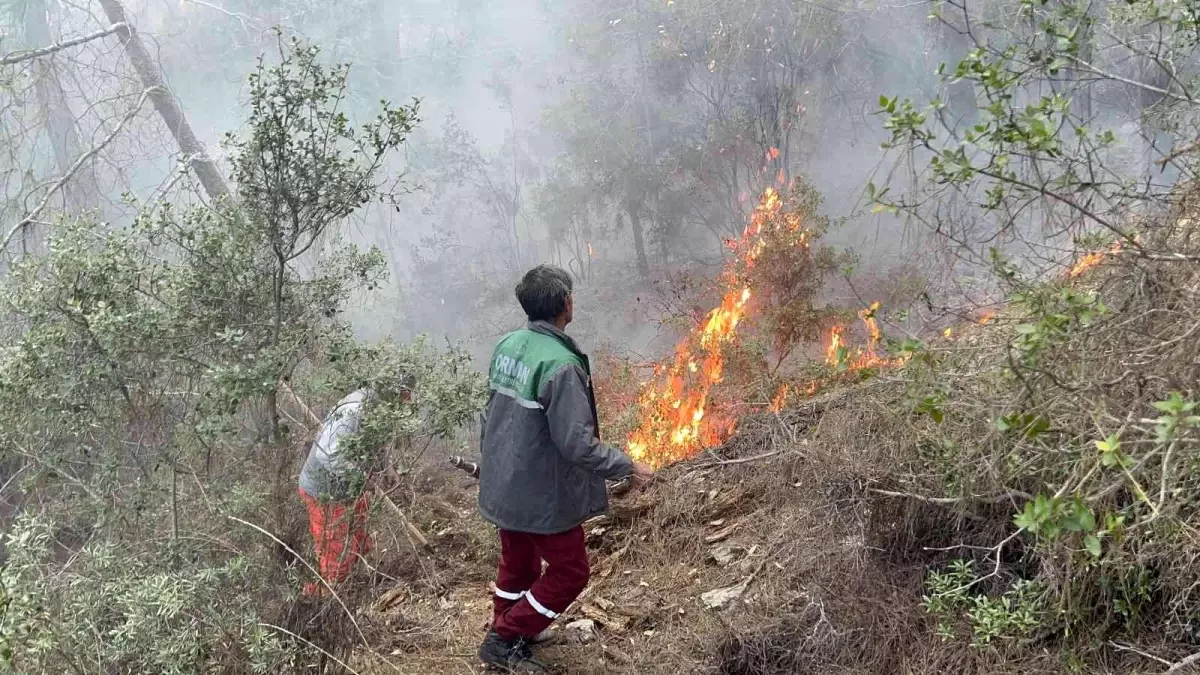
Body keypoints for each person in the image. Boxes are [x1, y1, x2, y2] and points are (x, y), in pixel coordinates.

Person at [476, 265, 654, 671]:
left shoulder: (508, 344)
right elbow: (577, 444)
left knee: (517, 564)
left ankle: (506, 629)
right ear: (565, 304)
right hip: (541, 493)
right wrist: (628, 467)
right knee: (571, 571)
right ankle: (504, 638)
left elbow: (489, 416)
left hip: (505, 481)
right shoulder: (561, 365)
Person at [297, 377, 413, 598]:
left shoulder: (380, 408)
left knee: (359, 544)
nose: (408, 402)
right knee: (337, 558)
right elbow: (328, 455)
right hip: (325, 493)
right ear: (393, 390)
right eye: (406, 395)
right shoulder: (355, 410)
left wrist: (387, 468)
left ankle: (352, 590)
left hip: (349, 489)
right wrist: (361, 479)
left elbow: (375, 441)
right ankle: (321, 602)